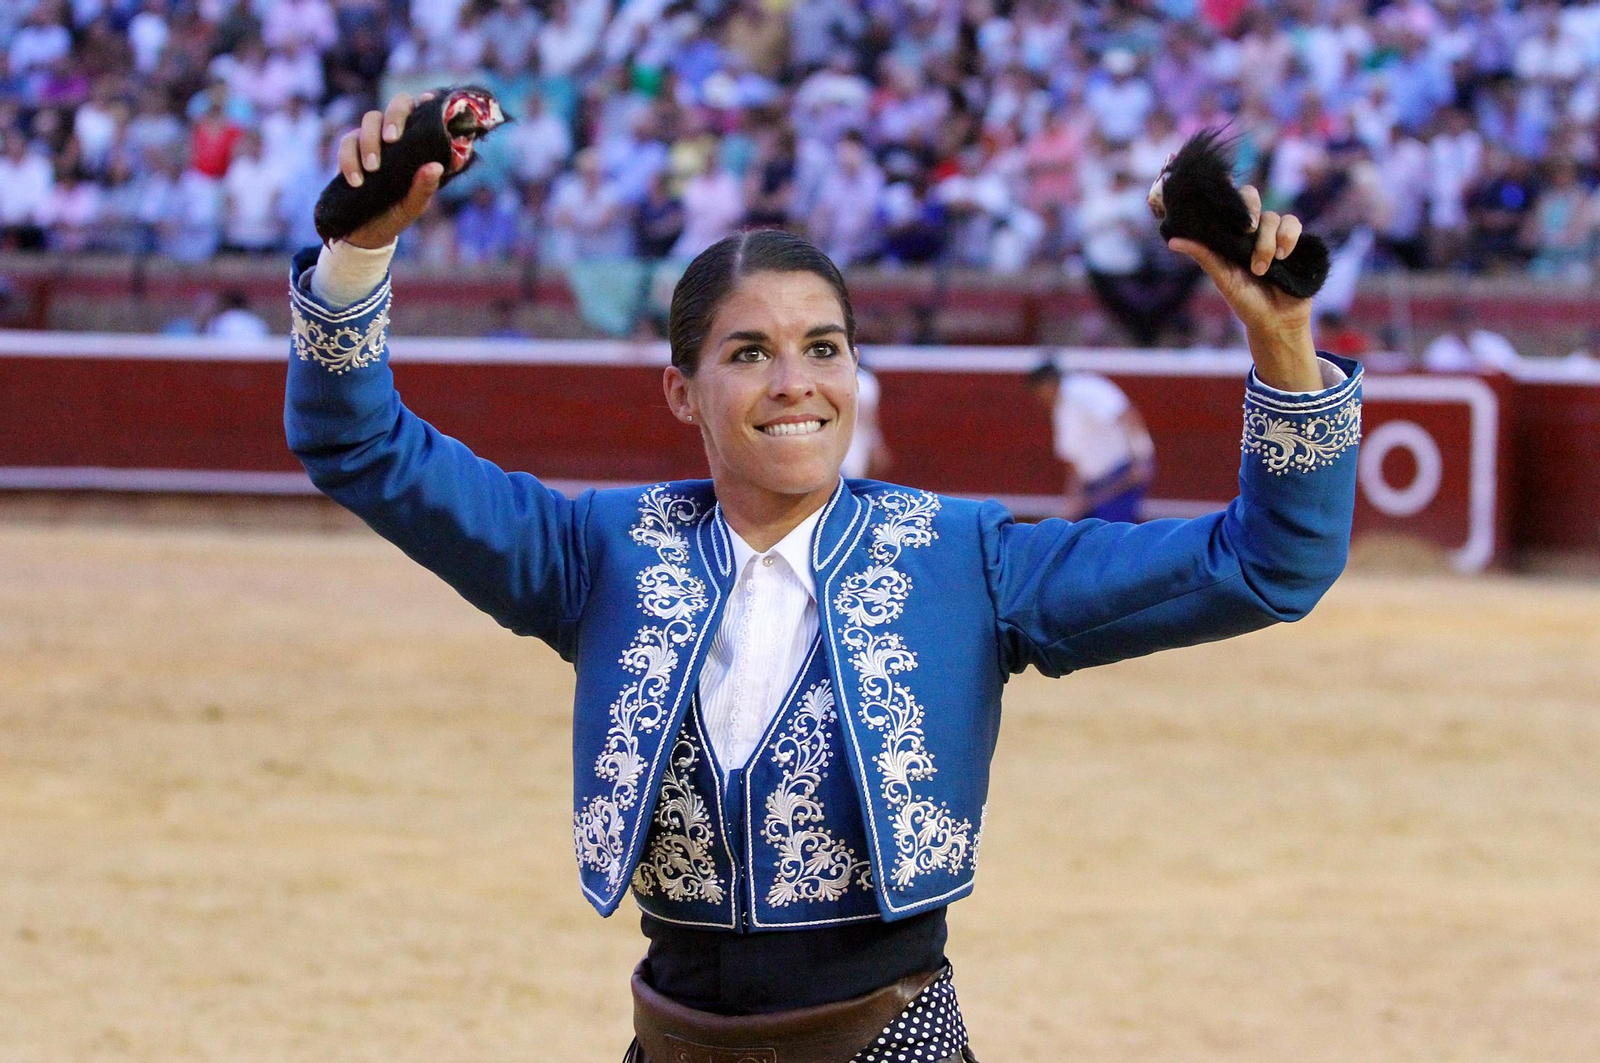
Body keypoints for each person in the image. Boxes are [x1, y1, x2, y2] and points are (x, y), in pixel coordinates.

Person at [285, 94, 1363, 1063]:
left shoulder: (969, 560)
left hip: (887, 1044)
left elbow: (1268, 564)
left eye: (825, 347)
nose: (796, 383)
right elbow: (363, 447)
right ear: (682, 390)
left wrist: (1281, 340)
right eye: (749, 353)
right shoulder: (594, 553)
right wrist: (355, 257)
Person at [1026, 363, 1155, 523]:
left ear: (1046, 385)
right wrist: (1074, 497)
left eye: (1039, 392)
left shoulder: (1083, 390)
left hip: (1122, 471)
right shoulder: (1062, 406)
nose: (1041, 399)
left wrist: (1140, 459)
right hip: (1096, 485)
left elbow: (1126, 414)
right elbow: (1073, 456)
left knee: (1112, 537)